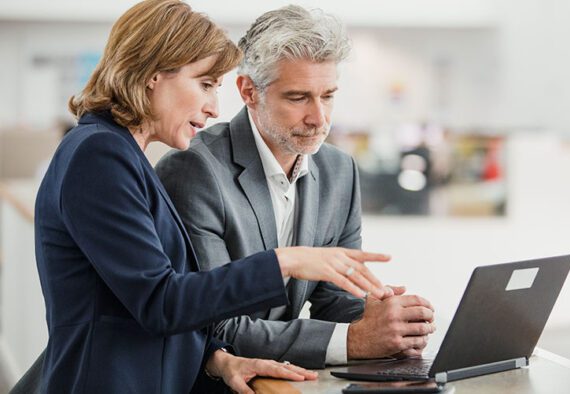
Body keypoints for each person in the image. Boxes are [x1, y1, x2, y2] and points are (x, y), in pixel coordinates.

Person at [31, 1, 391, 393]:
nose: (214, 107)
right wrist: (284, 262)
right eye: (205, 84)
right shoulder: (99, 154)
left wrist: (218, 359)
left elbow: (142, 303)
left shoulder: (117, 152)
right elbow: (161, 303)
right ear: (154, 74)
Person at [156, 4, 436, 370]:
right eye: (298, 97)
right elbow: (214, 324)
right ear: (249, 92)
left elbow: (335, 300)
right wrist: (354, 341)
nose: (319, 118)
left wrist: (387, 320)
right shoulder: (194, 169)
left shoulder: (339, 170)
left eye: (328, 96)